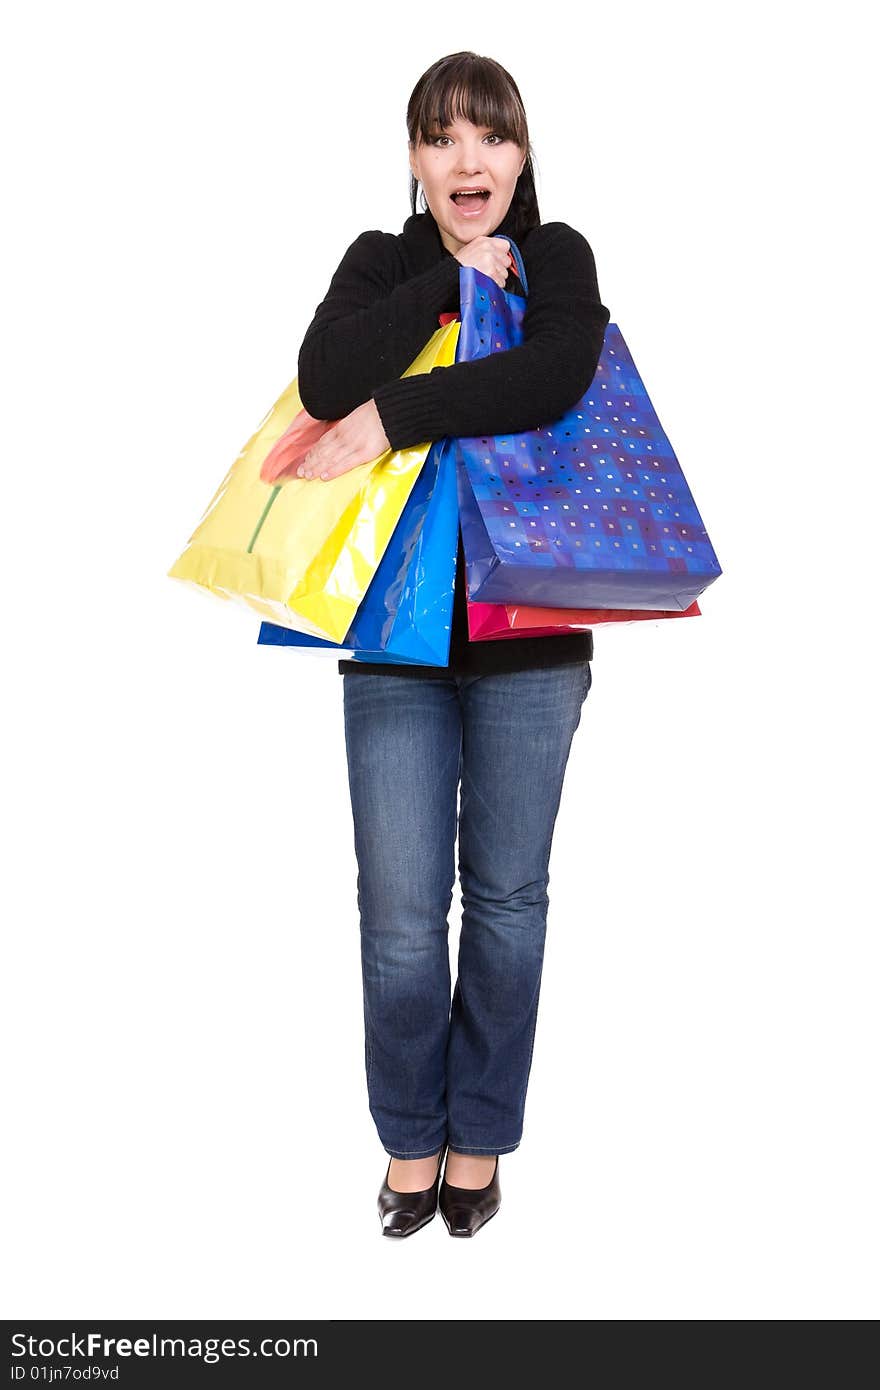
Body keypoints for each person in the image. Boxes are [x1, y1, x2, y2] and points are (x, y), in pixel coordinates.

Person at [295, 52, 610, 1238]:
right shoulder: (383, 263)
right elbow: (325, 374)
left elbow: (553, 375)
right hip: (393, 637)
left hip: (531, 638)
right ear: (416, 161)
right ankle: (409, 1139)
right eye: (441, 138)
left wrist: (397, 413)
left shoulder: (560, 256)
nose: (466, 160)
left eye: (489, 137)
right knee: (396, 910)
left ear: (520, 157)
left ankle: (478, 1133)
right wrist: (442, 281)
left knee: (510, 898)